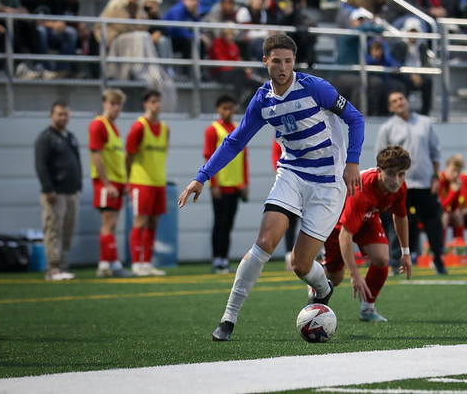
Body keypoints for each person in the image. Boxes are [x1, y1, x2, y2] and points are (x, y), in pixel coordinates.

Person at [178, 34, 364, 342]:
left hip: (329, 182)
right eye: (276, 61)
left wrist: (352, 162)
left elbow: (355, 119)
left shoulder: (315, 88)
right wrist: (202, 176)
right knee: (264, 242)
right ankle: (229, 318)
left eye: (288, 61)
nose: (283, 67)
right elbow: (235, 140)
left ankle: (322, 287)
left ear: (294, 61)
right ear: (265, 61)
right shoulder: (262, 99)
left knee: (300, 264)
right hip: (292, 173)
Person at [322, 145, 413, 322]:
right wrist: (355, 275)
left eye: (401, 174)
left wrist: (405, 253)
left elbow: (400, 217)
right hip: (337, 224)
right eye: (391, 174)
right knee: (335, 278)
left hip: (368, 218)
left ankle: (368, 309)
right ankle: (317, 289)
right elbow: (345, 235)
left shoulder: (400, 188)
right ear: (379, 171)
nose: (397, 180)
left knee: (382, 259)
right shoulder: (361, 189)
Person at [375, 90, 447, 275]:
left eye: (401, 98)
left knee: (433, 223)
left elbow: (435, 152)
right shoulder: (387, 128)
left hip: (424, 183)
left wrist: (435, 178)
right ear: (391, 106)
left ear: (406, 100)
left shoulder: (425, 123)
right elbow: (381, 160)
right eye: (394, 101)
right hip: (398, 185)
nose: (399, 102)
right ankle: (395, 264)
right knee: (395, 224)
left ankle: (438, 260)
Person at [34, 100, 81, 281]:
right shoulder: (45, 138)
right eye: (60, 114)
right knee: (54, 229)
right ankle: (52, 268)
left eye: (66, 114)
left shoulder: (70, 137)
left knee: (67, 231)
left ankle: (62, 266)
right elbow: (41, 165)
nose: (63, 117)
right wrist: (48, 188)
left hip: (72, 192)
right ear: (51, 115)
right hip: (55, 193)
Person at [125, 89, 169, 277]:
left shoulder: (165, 129)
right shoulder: (138, 127)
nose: (156, 105)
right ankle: (136, 263)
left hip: (159, 182)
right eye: (153, 101)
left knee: (153, 222)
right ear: (145, 104)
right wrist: (128, 181)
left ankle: (147, 262)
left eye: (158, 101)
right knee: (140, 221)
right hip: (141, 182)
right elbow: (128, 155)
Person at [204, 94, 249, 274]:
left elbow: (244, 158)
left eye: (231, 108)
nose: (228, 112)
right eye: (224, 108)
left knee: (229, 224)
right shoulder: (213, 130)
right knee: (219, 223)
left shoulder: (238, 129)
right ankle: (217, 260)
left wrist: (245, 182)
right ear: (218, 109)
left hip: (235, 186)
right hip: (220, 186)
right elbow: (208, 156)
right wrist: (213, 183)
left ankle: (224, 259)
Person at [89, 88, 131, 278]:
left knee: (111, 224)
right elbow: (95, 156)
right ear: (104, 104)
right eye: (112, 104)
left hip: (117, 181)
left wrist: (124, 181)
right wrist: (106, 183)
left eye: (119, 104)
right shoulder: (99, 125)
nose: (116, 108)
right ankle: (113, 264)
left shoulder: (112, 127)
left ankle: (104, 264)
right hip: (107, 183)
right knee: (109, 224)